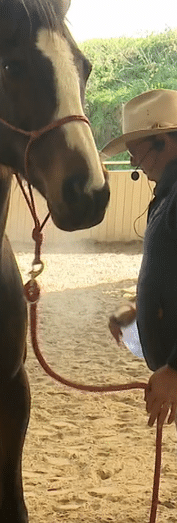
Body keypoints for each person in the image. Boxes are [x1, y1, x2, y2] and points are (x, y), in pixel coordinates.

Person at [101, 88, 177, 429]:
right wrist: (136, 304)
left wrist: (175, 369)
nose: (133, 163)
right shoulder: (168, 195)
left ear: (163, 141)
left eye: (137, 152)